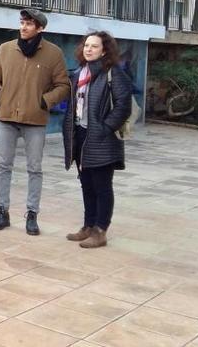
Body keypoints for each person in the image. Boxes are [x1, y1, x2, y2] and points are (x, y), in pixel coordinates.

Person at [0, 9, 70, 235]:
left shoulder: (53, 53)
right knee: (4, 166)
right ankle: (2, 211)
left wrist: (45, 101)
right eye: (22, 23)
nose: (23, 27)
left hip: (35, 120)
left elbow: (63, 86)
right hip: (7, 117)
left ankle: (32, 214)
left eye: (29, 24)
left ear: (40, 28)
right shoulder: (6, 49)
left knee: (35, 168)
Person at [62, 31, 132, 248]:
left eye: (94, 46)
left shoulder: (113, 73)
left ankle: (100, 231)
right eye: (86, 45)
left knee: (102, 186)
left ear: (104, 50)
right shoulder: (78, 74)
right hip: (81, 135)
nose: (89, 49)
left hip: (102, 138)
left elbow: (123, 106)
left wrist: (105, 128)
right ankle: (88, 226)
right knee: (86, 184)